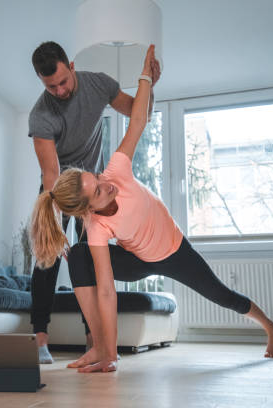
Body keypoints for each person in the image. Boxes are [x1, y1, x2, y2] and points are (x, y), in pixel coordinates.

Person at [30, 45, 273, 373]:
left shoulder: (114, 172)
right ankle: (99, 349)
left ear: (72, 67)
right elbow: (106, 290)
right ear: (87, 212)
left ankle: (270, 327)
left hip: (173, 250)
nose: (106, 185)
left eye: (97, 179)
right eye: (52, 87)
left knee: (221, 294)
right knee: (78, 256)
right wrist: (112, 351)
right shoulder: (95, 226)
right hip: (135, 257)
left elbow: (137, 120)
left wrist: (146, 76)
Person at [28, 41, 161, 363]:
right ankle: (40, 339)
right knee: (48, 258)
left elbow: (136, 112)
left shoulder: (98, 83)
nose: (59, 90)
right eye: (51, 86)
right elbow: (51, 173)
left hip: (93, 186)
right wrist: (57, 224)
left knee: (90, 257)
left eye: (63, 81)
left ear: (71, 66)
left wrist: (150, 87)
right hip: (59, 191)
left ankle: (95, 339)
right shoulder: (41, 115)